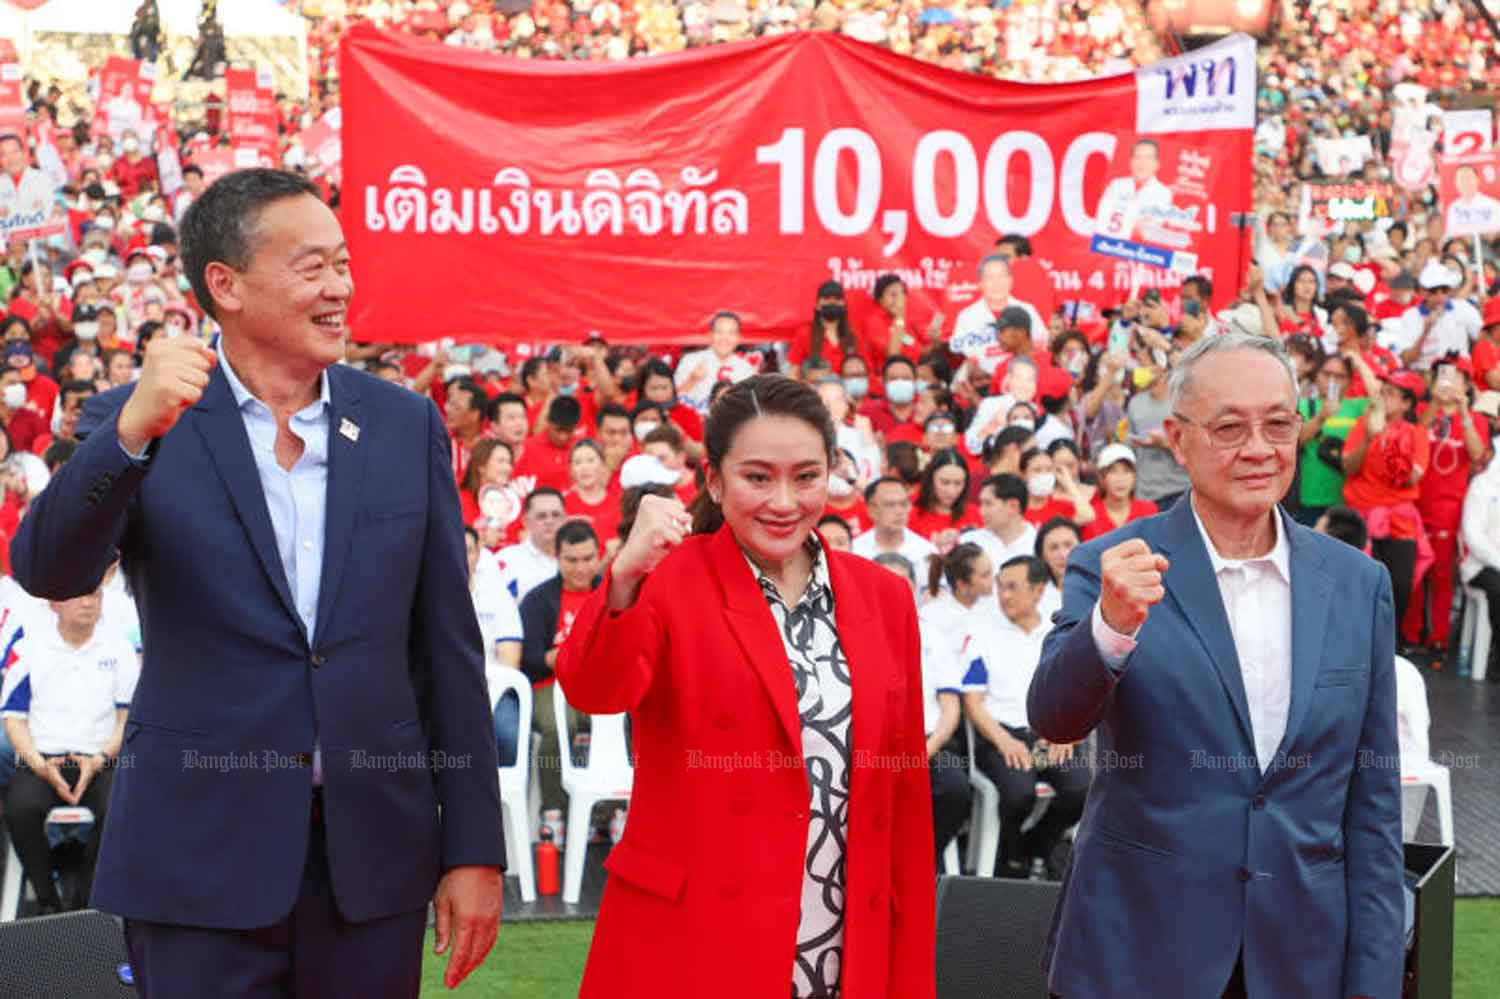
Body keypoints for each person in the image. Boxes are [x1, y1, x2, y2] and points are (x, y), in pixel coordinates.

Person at [10, 169, 503, 996]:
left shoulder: (402, 425)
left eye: (343, 264)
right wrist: (132, 432)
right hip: (196, 859)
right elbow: (47, 566)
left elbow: (447, 649)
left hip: (371, 863)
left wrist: (476, 847)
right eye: (312, 268)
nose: (340, 287)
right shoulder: (137, 420)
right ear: (225, 286)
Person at [1027, 332, 1402, 998]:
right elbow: (1055, 714)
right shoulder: (1112, 565)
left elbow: (1371, 809)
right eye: (1230, 427)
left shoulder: (1356, 584)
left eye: (1278, 424)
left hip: (1299, 960)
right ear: (1178, 439)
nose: (1259, 448)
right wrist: (1110, 625)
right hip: (1135, 955)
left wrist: (1372, 981)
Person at [554, 375, 935, 999]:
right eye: (758, 477)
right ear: (713, 480)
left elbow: (904, 796)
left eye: (806, 476)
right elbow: (595, 688)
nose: (783, 501)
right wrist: (624, 572)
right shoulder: (669, 577)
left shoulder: (884, 597)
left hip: (843, 932)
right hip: (698, 932)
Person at [1, 585, 138, 914]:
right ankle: (48, 900)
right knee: (20, 809)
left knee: (121, 806)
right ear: (54, 603)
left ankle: (88, 899)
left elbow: (126, 718)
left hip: (101, 759)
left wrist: (100, 759)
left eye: (96, 596)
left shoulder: (119, 649)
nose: (90, 603)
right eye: (80, 595)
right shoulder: (29, 648)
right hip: (42, 761)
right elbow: (14, 720)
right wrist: (40, 765)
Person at [961, 555, 1089, 878]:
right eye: (1000, 587)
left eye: (1013, 588)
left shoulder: (1059, 633)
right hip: (1002, 738)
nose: (1004, 596)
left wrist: (1068, 734)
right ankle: (1012, 855)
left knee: (1080, 787)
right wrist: (1004, 740)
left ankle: (1039, 842)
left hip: (1050, 735)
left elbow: (1080, 691)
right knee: (1019, 792)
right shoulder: (983, 635)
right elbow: (973, 702)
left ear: (1038, 591)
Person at [880, 551, 970, 870]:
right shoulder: (854, 633)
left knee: (956, 790)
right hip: (874, 746)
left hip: (930, 741)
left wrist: (922, 751)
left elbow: (950, 708)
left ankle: (926, 863)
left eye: (901, 584)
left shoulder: (932, 637)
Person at [1405, 357, 1489, 654]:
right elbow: (1414, 435)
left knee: (1441, 574)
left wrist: (1463, 412)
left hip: (1448, 509)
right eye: (1445, 374)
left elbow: (1478, 454)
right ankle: (1411, 635)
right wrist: (1434, 405)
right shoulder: (1423, 412)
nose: (1450, 381)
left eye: (1457, 377)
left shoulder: (1475, 419)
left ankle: (1438, 636)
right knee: (1415, 572)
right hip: (1415, 504)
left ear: (1467, 384)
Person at [519, 520, 602, 812]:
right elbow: (526, 656)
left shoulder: (612, 592)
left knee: (617, 725)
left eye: (588, 559)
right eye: (572, 560)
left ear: (599, 555)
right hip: (550, 685)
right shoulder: (538, 600)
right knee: (559, 727)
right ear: (557, 558)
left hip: (602, 685)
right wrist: (553, 659)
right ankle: (553, 813)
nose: (581, 568)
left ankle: (610, 812)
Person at [1342, 370, 1432, 629]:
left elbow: (1411, 478)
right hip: (1363, 515)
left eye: (1392, 394)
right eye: (1383, 391)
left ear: (1407, 403)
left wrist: (1388, 445)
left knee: (1401, 585)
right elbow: (1348, 467)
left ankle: (1391, 646)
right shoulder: (1364, 424)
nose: (1384, 397)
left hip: (1399, 520)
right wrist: (1371, 437)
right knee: (1360, 586)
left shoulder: (1417, 434)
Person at [1295, 351, 1371, 527]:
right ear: (1317, 376)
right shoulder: (1305, 405)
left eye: (1340, 376)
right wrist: (1321, 418)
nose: (1332, 380)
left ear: (1350, 381)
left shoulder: (1357, 406)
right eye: (1326, 374)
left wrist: (1359, 363)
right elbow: (1295, 442)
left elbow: (1377, 395)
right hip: (1312, 498)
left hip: (1349, 498)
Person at [950, 256, 1045, 374]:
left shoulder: (1028, 310)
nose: (997, 283)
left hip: (1024, 376)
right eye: (990, 278)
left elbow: (1040, 343)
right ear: (980, 283)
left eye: (1001, 276)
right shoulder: (966, 316)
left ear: (1011, 280)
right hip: (983, 381)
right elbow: (963, 354)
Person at [853, 476, 939, 585]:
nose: (899, 511)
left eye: (903, 504)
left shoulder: (927, 552)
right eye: (890, 505)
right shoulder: (855, 551)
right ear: (871, 509)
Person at [675, 311, 758, 413]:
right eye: (719, 332)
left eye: (731, 333)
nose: (724, 338)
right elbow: (672, 398)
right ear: (710, 335)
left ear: (738, 338)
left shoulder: (745, 368)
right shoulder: (690, 360)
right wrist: (692, 379)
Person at [1094, 138, 1174, 242]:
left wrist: (1120, 220)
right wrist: (1134, 223)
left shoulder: (1164, 193)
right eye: (1138, 157)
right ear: (1131, 162)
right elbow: (1100, 220)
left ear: (1157, 164)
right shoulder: (1117, 185)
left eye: (1148, 158)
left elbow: (1148, 232)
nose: (1142, 163)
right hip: (1105, 245)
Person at [497, 487, 566, 603]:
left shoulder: (578, 559)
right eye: (541, 516)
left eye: (555, 515)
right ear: (525, 522)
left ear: (565, 519)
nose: (549, 521)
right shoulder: (506, 559)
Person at [907, 447, 980, 550]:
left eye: (958, 483)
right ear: (931, 479)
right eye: (945, 482)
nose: (951, 491)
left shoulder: (975, 514)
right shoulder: (908, 509)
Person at [1082, 443, 1158, 540]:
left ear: (1134, 477)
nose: (1120, 479)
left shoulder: (1149, 510)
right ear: (1101, 478)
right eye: (1113, 471)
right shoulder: (1089, 514)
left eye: (1126, 471)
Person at [961, 473, 1037, 568]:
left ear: (1013, 506)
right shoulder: (968, 542)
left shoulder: (1039, 545)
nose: (981, 512)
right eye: (981, 504)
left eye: (988, 504)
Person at [1034, 517, 1080, 622]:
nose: (1063, 555)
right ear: (1042, 556)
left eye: (1068, 545)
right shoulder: (1036, 599)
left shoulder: (1098, 591)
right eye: (1054, 548)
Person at [1444, 163, 1500, 235]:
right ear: (1456, 183)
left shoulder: (1494, 205)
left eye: (1468, 178)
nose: (1465, 182)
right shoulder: (1453, 208)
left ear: (1477, 180)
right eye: (1461, 178)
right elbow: (1452, 235)